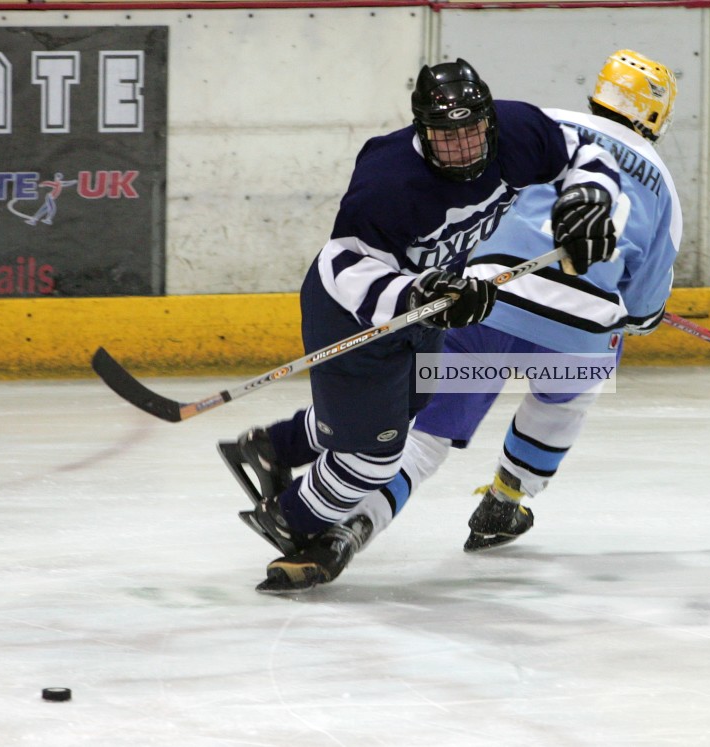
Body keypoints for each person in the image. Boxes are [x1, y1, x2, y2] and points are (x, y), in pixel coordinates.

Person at [219, 58, 621, 594]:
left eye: (472, 132)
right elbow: (342, 266)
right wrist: (414, 293)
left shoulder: (517, 132)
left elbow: (584, 152)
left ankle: (275, 446)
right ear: (420, 131)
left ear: (490, 121)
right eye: (445, 137)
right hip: (355, 313)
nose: (463, 149)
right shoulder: (390, 178)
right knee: (374, 455)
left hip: (432, 304)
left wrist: (590, 200)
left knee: (408, 407)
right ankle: (292, 518)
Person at [346, 49, 682, 552]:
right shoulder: (663, 184)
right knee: (571, 390)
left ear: (598, 92)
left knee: (427, 434)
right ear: (656, 115)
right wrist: (637, 318)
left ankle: (348, 529)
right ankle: (507, 498)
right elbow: (644, 302)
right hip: (580, 329)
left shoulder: (545, 127)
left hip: (488, 300)